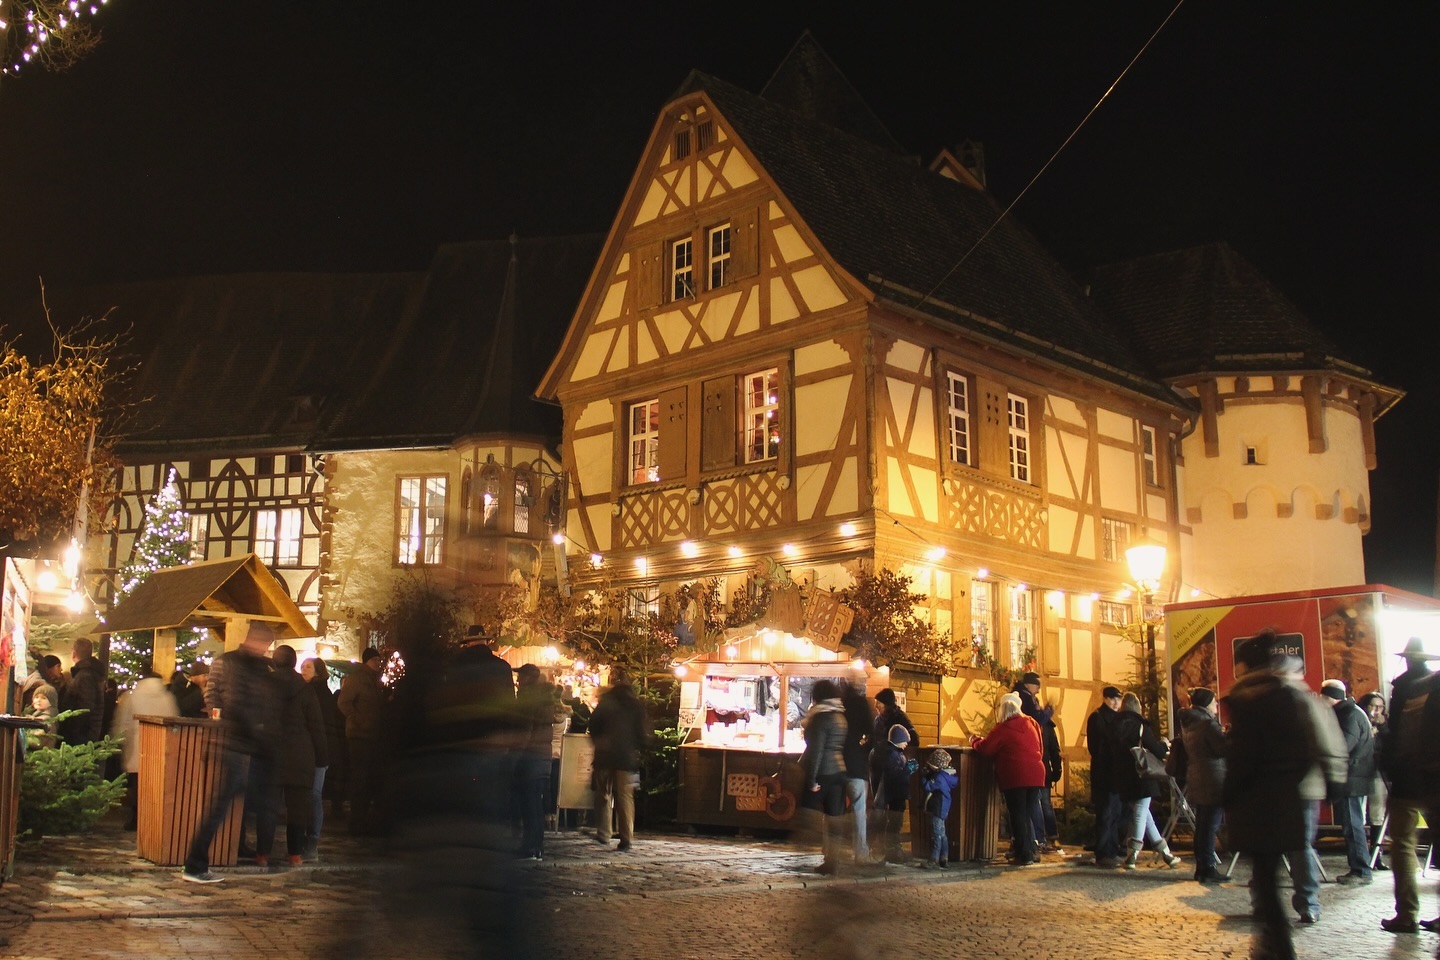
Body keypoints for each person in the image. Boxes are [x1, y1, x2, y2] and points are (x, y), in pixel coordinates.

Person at [1224, 631, 1346, 958]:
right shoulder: (1294, 696)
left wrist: (1230, 794)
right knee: (1277, 866)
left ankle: (1278, 938)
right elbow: (1317, 744)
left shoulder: (1250, 699)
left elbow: (1243, 758)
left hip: (1262, 803)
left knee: (1269, 874)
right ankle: (1277, 934)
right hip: (1290, 797)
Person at [182, 622, 282, 883]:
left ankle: (211, 858)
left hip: (246, 744)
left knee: (238, 803)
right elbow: (228, 700)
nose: (265, 650)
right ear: (256, 641)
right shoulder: (232, 664)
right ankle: (196, 863)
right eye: (265, 644)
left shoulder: (257, 667)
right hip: (238, 743)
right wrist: (252, 729)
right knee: (225, 805)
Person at [1379, 657, 1440, 935]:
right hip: (1435, 778)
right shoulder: (1434, 683)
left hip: (1406, 779)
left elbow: (1393, 734)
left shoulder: (1403, 687)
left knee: (1402, 845)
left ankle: (1407, 914)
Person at [264, 645, 327, 868]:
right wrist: (322, 758)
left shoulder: (265, 684)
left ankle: (262, 854)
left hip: (271, 753)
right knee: (298, 808)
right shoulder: (305, 688)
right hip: (301, 755)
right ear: (293, 662)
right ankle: (295, 854)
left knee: (268, 806)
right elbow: (316, 726)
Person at [970, 693, 1046, 866]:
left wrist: (974, 740)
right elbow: (1040, 747)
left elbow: (986, 749)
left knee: (1017, 815)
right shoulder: (1032, 723)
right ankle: (1030, 851)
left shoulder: (1003, 728)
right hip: (1036, 773)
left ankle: (1024, 855)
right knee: (1027, 814)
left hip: (1015, 775)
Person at [1111, 691, 1181, 870]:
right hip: (1142, 774)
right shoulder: (1140, 725)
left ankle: (1166, 853)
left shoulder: (1114, 725)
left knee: (1144, 814)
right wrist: (1165, 744)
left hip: (1122, 775)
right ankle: (1132, 853)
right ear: (1138, 708)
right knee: (1141, 812)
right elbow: (1156, 750)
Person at [1320, 678, 1376, 884]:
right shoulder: (1350, 712)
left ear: (1328, 698)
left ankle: (1361, 870)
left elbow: (1342, 747)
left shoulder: (1348, 715)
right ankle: (1360, 868)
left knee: (1352, 826)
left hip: (1351, 779)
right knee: (1352, 825)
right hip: (1353, 778)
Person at [111, 671, 180, 830]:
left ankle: (136, 819)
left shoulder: (131, 697)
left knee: (138, 784)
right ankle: (155, 818)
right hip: (161, 745)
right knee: (157, 783)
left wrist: (117, 739)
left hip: (137, 745)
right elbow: (174, 719)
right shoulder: (167, 697)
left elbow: (123, 721)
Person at [588, 672, 648, 852]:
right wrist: (637, 748)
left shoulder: (606, 703)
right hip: (628, 759)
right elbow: (643, 733)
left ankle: (604, 833)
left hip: (604, 757)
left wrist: (599, 741)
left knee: (603, 795)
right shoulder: (637, 705)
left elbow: (593, 726)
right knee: (625, 797)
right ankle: (626, 837)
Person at [798, 678, 848, 874]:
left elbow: (816, 750)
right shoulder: (840, 716)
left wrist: (812, 779)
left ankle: (802, 851)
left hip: (823, 772)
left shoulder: (820, 718)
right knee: (834, 818)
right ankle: (832, 861)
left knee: (808, 813)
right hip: (839, 771)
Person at [1178, 687, 1227, 882]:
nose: (1216, 705)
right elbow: (1222, 748)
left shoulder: (1189, 723)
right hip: (1214, 778)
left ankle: (1202, 866)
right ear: (1207, 703)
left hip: (1197, 776)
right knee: (1210, 825)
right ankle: (1207, 868)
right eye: (1214, 701)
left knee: (1203, 824)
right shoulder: (1208, 724)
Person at [338, 647, 388, 835]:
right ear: (367, 661)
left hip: (372, 735)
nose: (378, 662)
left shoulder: (375, 681)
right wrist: (357, 719)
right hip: (359, 735)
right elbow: (344, 702)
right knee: (360, 779)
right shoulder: (358, 679)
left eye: (379, 659)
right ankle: (357, 822)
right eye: (374, 659)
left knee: (369, 779)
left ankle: (364, 820)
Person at [301, 657, 344, 856]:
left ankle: (312, 840)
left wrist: (324, 754)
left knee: (314, 795)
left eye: (308, 667)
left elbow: (323, 727)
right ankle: (306, 839)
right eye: (302, 666)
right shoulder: (305, 691)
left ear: (318, 671)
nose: (303, 669)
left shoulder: (321, 694)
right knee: (306, 795)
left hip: (319, 752)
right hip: (307, 750)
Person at [513, 664, 554, 860]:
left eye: (520, 676)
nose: (518, 680)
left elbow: (525, 728)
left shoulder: (528, 697)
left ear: (528, 678)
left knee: (529, 803)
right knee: (536, 804)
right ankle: (536, 846)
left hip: (530, 757)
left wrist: (516, 754)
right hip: (543, 757)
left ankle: (530, 847)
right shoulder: (545, 699)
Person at [1086, 685, 1124, 867]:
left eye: (1119, 699)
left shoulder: (1116, 718)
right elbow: (1097, 747)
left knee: (1114, 813)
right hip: (1104, 772)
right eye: (1114, 699)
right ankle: (1103, 852)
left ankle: (1112, 849)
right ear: (1106, 699)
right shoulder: (1097, 717)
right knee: (1106, 813)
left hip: (1115, 772)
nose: (1117, 703)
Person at [838, 679, 873, 866]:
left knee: (834, 810)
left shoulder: (839, 705)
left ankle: (832, 853)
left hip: (837, 765)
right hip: (857, 766)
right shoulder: (862, 705)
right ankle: (860, 853)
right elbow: (872, 732)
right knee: (859, 811)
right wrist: (864, 748)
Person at [1356, 690, 1390, 870]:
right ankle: (1361, 855)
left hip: (1378, 772)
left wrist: (1383, 728)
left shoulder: (1385, 724)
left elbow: (1390, 743)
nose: (1377, 711)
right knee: (1360, 815)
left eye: (1380, 707)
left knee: (1378, 813)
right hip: (1362, 771)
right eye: (1373, 706)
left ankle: (1377, 856)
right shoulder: (1360, 719)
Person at [873, 723, 914, 864]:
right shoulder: (893, 754)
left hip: (893, 795)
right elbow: (895, 776)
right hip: (896, 795)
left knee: (894, 823)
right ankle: (894, 852)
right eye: (905, 741)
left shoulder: (890, 752)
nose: (906, 744)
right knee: (895, 824)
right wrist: (908, 769)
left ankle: (893, 851)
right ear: (897, 740)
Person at [59, 638, 105, 745]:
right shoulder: (90, 674)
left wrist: (71, 730)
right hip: (85, 734)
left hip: (80, 737)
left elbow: (85, 708)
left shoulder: (84, 676)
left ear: (74, 653)